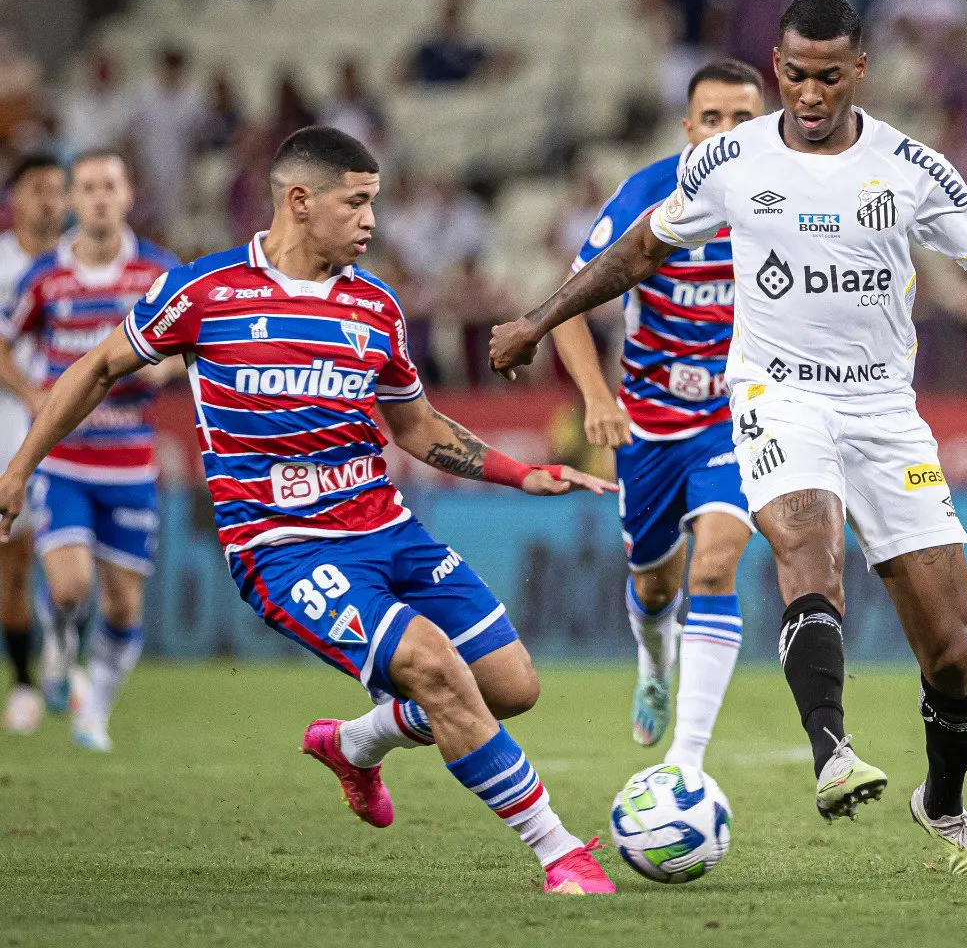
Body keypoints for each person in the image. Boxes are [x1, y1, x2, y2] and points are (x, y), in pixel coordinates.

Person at [490, 0, 967, 876]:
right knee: (806, 542)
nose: (808, 94)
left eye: (827, 77)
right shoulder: (730, 161)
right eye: (794, 74)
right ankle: (832, 750)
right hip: (777, 395)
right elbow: (632, 255)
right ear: (776, 66)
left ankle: (944, 801)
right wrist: (537, 320)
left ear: (858, 71)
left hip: (887, 413)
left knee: (954, 656)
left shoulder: (912, 166)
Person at [0, 127, 618, 894]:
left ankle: (356, 742)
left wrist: (521, 476)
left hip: (387, 529)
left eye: (374, 203)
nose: (370, 220)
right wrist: (20, 465)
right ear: (299, 201)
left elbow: (417, 428)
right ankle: (559, 852)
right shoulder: (205, 292)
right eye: (355, 203)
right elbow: (96, 367)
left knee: (511, 686)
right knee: (431, 666)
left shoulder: (376, 307)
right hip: (282, 546)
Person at [549, 59, 764, 765]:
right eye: (713, 118)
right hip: (647, 422)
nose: (728, 132)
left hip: (736, 417)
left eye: (743, 118)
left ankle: (688, 761)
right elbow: (570, 305)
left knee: (715, 565)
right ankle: (652, 664)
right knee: (655, 585)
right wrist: (597, 398)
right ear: (688, 127)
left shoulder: (782, 196)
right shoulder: (647, 193)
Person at [0, 152, 178, 751]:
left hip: (130, 463)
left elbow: (193, 343)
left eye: (110, 186)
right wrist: (32, 393)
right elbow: (5, 341)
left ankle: (95, 704)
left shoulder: (158, 273)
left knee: (125, 604)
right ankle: (56, 648)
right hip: (65, 460)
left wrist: (167, 367)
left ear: (128, 195)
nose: (99, 197)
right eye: (88, 188)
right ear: (72, 201)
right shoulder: (45, 276)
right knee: (70, 583)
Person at [0, 156, 67, 733]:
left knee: (72, 551)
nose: (49, 200)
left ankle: (62, 652)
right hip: (7, 418)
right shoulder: (2, 261)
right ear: (15, 197)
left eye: (56, 191)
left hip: (68, 423)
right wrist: (28, 392)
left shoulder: (77, 262)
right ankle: (23, 681)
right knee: (14, 558)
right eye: (37, 189)